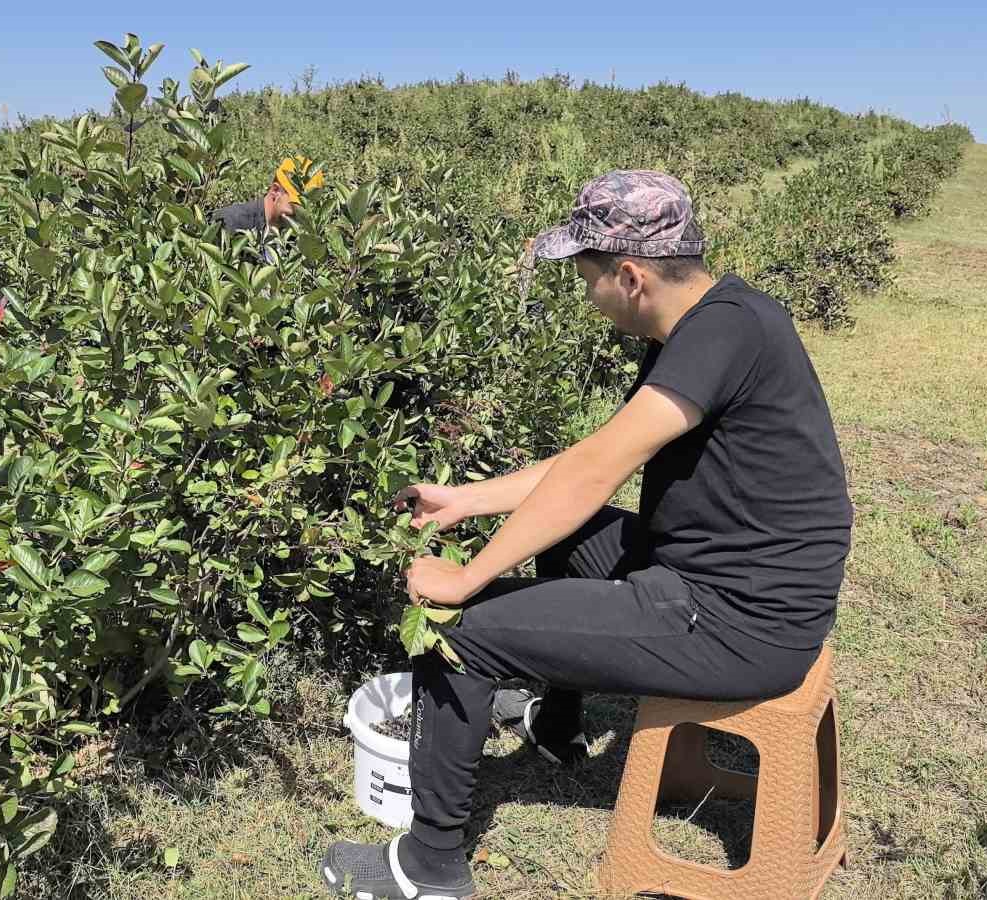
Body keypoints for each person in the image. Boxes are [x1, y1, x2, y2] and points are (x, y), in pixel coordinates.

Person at [317, 170, 853, 899]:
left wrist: (465, 578)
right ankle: (555, 724)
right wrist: (465, 501)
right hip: (729, 581)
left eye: (586, 276)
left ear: (630, 276)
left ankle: (429, 867)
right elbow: (588, 460)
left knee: (461, 630)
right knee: (568, 539)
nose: (586, 293)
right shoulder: (720, 318)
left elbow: (593, 472)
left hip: (738, 622)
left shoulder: (718, 335)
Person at [210, 156, 324, 254]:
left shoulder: (297, 241)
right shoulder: (229, 222)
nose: (302, 215)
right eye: (297, 205)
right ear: (275, 191)